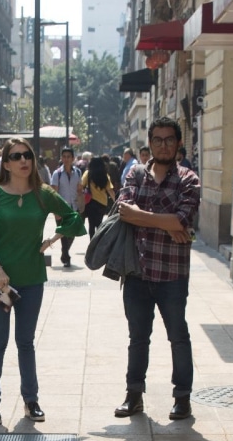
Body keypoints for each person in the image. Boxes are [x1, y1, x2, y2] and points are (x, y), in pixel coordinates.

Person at [0, 137, 84, 425]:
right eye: (17, 156)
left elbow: (73, 219)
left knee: (26, 342)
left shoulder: (42, 194)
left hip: (32, 278)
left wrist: (53, 238)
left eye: (27, 156)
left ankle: (31, 401)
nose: (23, 161)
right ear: (5, 163)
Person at [113, 117, 201, 422]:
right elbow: (125, 212)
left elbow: (182, 220)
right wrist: (169, 223)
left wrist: (148, 217)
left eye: (169, 139)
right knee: (138, 337)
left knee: (178, 336)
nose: (163, 144)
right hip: (137, 272)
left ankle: (182, 399)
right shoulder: (136, 174)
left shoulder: (189, 179)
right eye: (158, 139)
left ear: (178, 144)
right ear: (150, 143)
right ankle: (133, 395)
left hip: (172, 275)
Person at [50, 147, 82, 265]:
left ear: (73, 158)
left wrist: (81, 204)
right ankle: (66, 256)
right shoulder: (57, 174)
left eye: (69, 157)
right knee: (63, 233)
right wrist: (55, 211)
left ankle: (65, 252)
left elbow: (79, 189)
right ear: (61, 158)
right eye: (64, 157)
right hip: (62, 209)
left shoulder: (78, 172)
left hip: (74, 208)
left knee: (72, 233)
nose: (66, 159)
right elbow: (53, 193)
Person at [80, 155, 114, 237]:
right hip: (102, 203)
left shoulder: (87, 173)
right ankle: (99, 241)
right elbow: (110, 190)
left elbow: (81, 186)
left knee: (91, 224)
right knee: (99, 223)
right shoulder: (105, 175)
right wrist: (116, 201)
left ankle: (92, 242)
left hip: (90, 202)